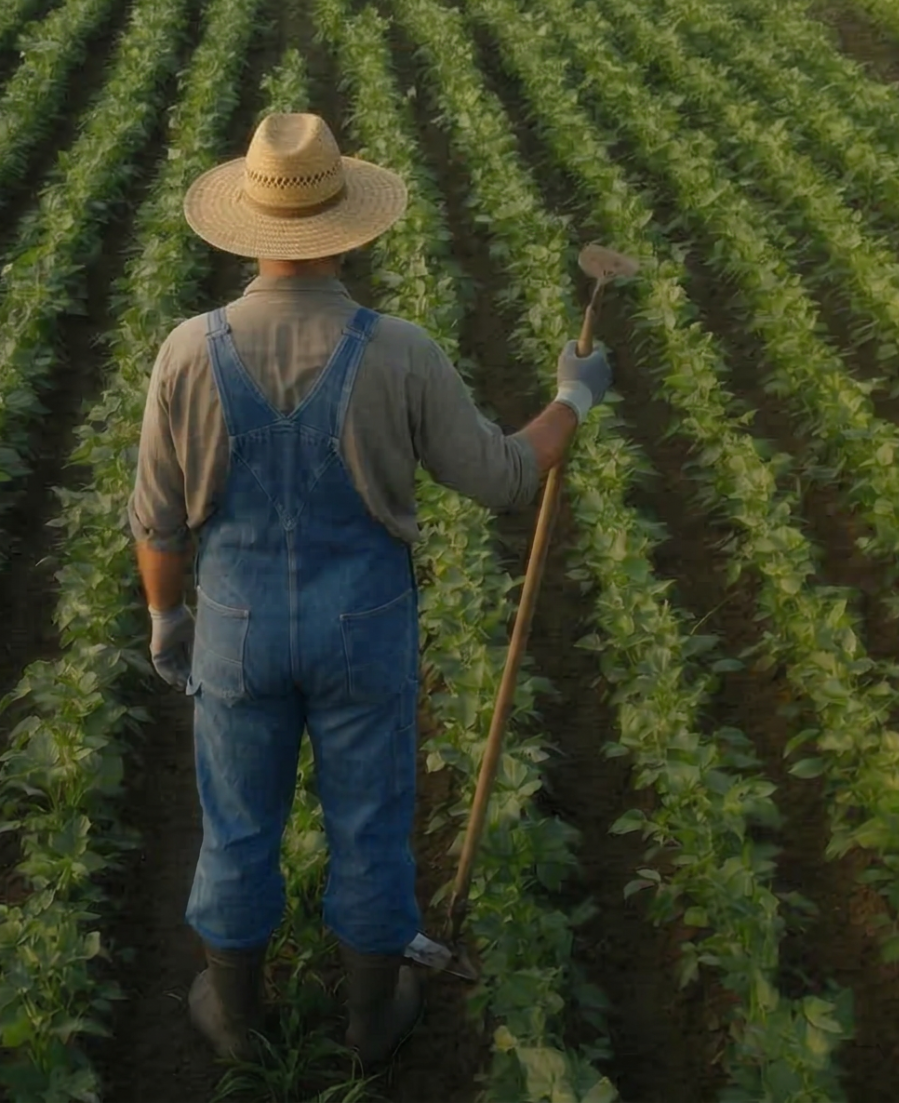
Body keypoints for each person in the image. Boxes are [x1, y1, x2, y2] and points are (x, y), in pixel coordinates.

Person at [130, 112, 611, 1066]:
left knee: (235, 825)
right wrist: (578, 395)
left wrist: (168, 616)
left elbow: (158, 519)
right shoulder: (399, 350)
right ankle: (368, 1020)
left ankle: (234, 1019)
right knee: (370, 823)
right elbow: (509, 478)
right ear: (348, 228)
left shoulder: (189, 349)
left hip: (235, 625)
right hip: (365, 626)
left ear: (252, 228)